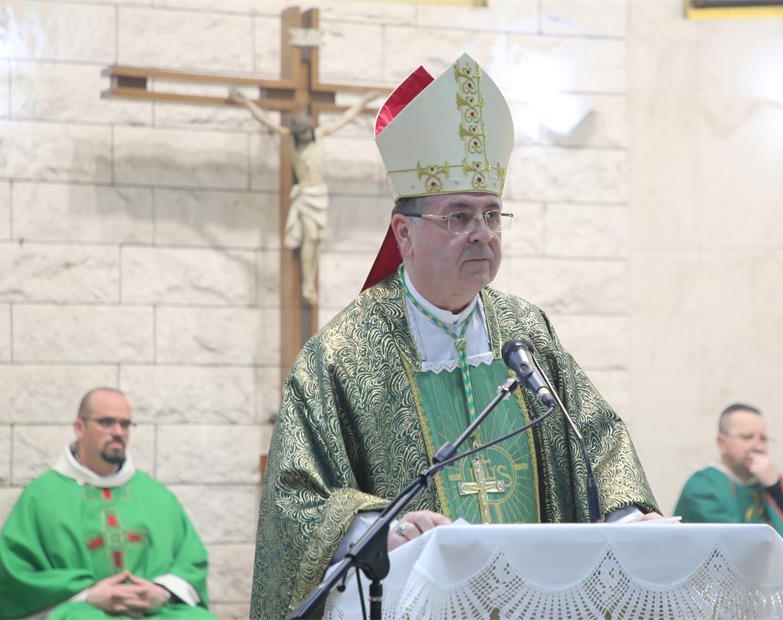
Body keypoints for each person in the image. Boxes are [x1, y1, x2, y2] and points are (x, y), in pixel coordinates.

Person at [250, 53, 661, 618]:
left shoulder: (526, 332)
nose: (482, 234)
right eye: (459, 216)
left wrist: (628, 516)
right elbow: (296, 497)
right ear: (404, 233)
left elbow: (593, 437)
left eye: (492, 215)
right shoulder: (344, 354)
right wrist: (377, 527)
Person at [0, 388, 216, 619]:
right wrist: (87, 594)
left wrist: (162, 592)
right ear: (79, 427)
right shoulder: (41, 497)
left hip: (150, 610)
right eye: (106, 422)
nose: (118, 432)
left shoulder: (156, 495)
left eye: (125, 424)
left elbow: (191, 561)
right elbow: (16, 576)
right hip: (80, 608)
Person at [230, 86, 378, 304]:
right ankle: (307, 284)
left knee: (317, 239)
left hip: (319, 194)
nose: (306, 135)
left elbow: (345, 118)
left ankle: (310, 280)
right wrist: (247, 102)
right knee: (310, 236)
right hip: (305, 195)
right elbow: (266, 121)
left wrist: (363, 102)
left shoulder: (320, 135)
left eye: (307, 131)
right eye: (303, 133)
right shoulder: (291, 139)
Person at [675, 403, 783, 568]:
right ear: (721, 443)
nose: (759, 447)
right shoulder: (703, 486)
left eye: (763, 438)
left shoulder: (770, 480)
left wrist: (776, 488)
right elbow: (735, 546)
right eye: (748, 437)